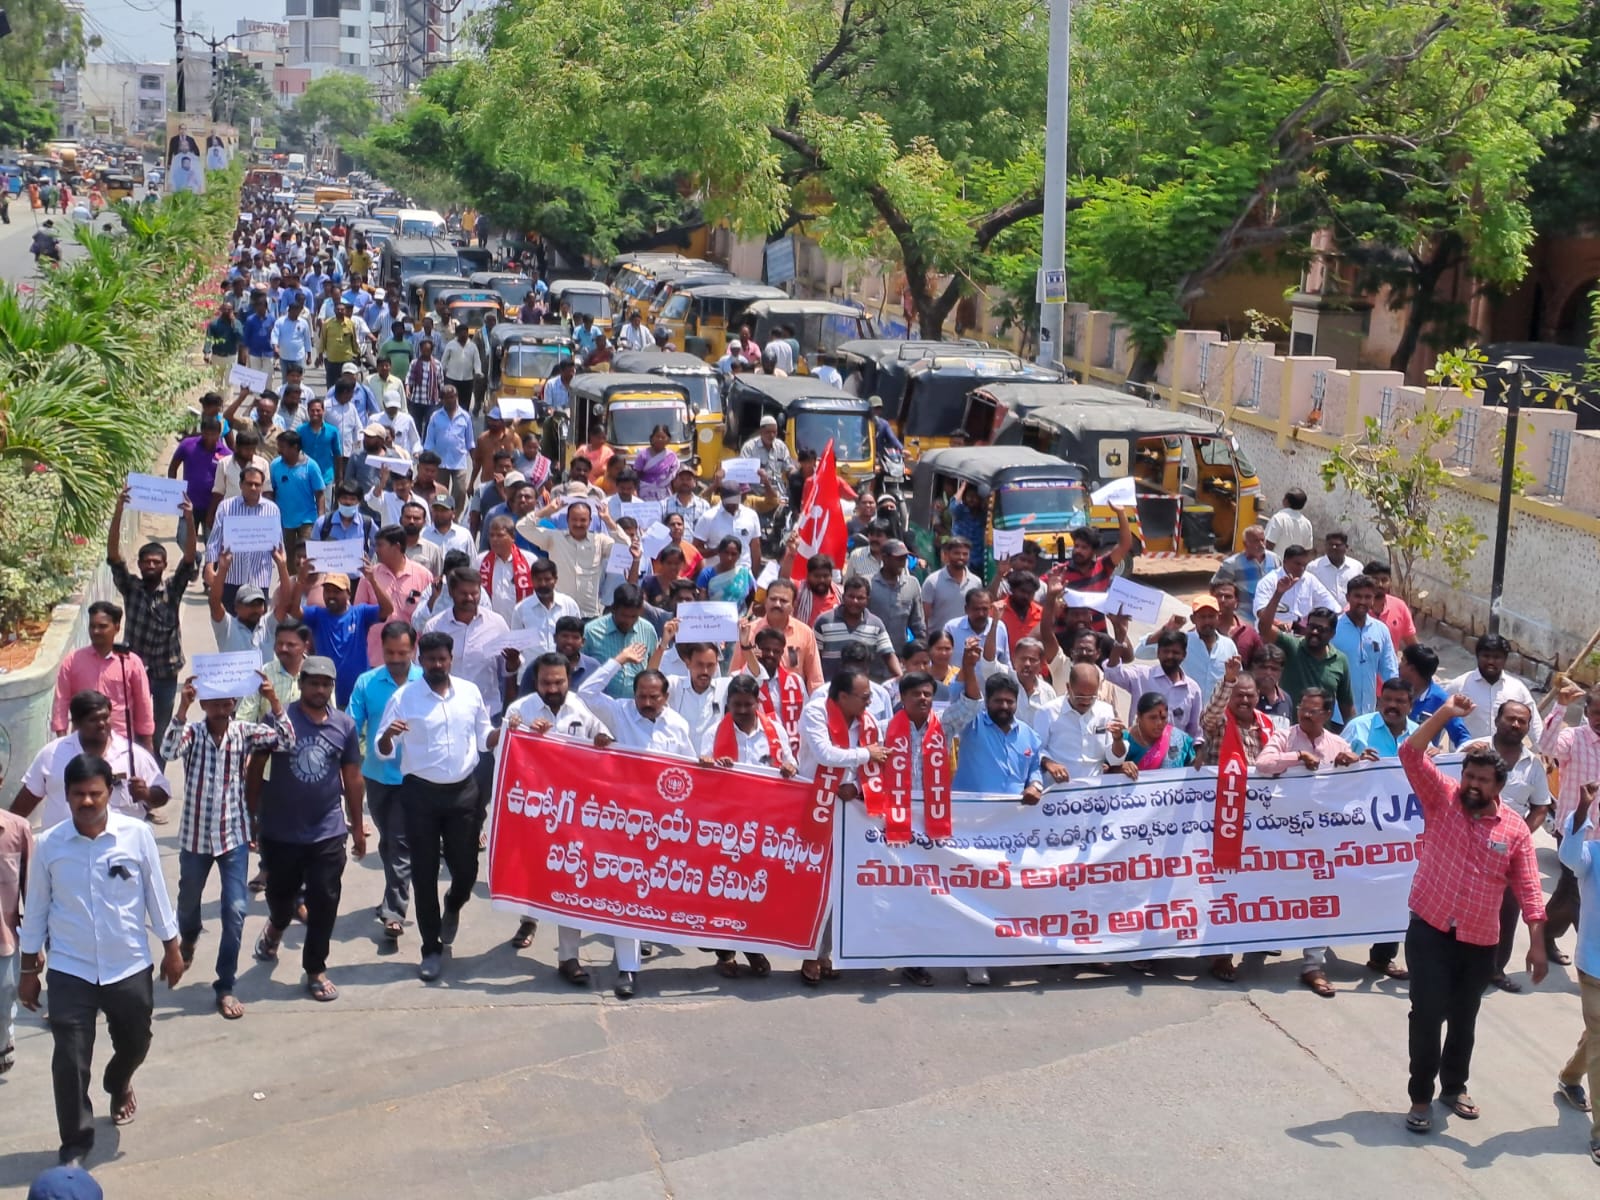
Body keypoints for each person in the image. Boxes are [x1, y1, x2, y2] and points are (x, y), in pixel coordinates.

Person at [18, 754, 186, 1166]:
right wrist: (27, 970)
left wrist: (171, 947)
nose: (88, 802)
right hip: (69, 969)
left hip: (127, 964)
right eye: (79, 795)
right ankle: (75, 1144)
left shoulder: (135, 835)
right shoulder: (49, 844)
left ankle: (119, 1080)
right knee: (70, 1059)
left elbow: (155, 892)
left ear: (109, 792)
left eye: (95, 793)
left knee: (136, 1041)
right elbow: (37, 906)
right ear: (67, 796)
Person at [1399, 693, 1549, 1133]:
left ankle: (1454, 1086)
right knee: (1426, 1015)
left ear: (1498, 788)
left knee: (1463, 1018)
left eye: (1483, 780)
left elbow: (1529, 889)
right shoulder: (1441, 799)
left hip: (1480, 941)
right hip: (1428, 929)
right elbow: (1409, 754)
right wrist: (1445, 714)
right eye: (1469, 776)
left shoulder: (1515, 830)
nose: (1473, 785)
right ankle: (1421, 1097)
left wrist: (1537, 945)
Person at [161, 672, 294, 1020]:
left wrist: (273, 701)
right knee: (188, 900)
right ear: (204, 704)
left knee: (235, 911)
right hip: (194, 837)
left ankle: (225, 984)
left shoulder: (244, 733)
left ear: (234, 704)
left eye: (227, 703)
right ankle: (188, 937)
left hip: (232, 836)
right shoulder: (191, 732)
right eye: (214, 703)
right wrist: (182, 706)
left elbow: (287, 740)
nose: (221, 709)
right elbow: (167, 750)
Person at [377, 631, 496, 981]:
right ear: (420, 660)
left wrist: (505, 734)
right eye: (430, 660)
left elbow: (485, 736)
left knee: (466, 871)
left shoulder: (470, 693)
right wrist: (389, 737)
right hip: (420, 796)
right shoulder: (404, 697)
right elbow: (382, 749)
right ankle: (431, 948)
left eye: (442, 659)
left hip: (463, 794)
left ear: (451, 658)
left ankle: (454, 904)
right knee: (424, 875)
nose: (437, 665)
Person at [577, 664, 697, 999]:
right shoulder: (620, 713)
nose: (646, 702)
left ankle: (659, 936)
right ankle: (627, 969)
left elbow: (688, 771)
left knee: (657, 889)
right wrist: (620, 660)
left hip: (665, 823)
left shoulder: (678, 724)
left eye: (653, 697)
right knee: (625, 892)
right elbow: (587, 693)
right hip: (625, 821)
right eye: (641, 696)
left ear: (665, 697)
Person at [250, 656, 365, 1002]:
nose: (319, 689)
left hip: (327, 831)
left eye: (325, 684)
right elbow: (256, 767)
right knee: (281, 897)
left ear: (332, 688)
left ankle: (315, 968)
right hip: (280, 829)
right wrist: (251, 814)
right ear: (301, 684)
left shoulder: (344, 726)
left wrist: (357, 826)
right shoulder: (278, 718)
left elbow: (353, 778)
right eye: (312, 682)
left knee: (324, 900)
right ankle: (276, 925)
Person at [1255, 687, 1362, 997]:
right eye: (1302, 708)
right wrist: (1296, 757)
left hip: (1322, 839)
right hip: (1281, 834)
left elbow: (1357, 786)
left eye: (1312, 711)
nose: (1304, 714)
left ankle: (1312, 964)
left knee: (1320, 898)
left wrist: (1354, 763)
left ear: (1327, 715)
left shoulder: (1338, 744)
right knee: (1270, 892)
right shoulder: (1286, 737)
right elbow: (1263, 764)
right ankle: (1257, 945)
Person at [796, 668, 890, 984]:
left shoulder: (867, 720)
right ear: (843, 696)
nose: (869, 701)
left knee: (842, 886)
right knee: (814, 885)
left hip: (852, 809)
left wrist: (858, 788)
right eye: (863, 697)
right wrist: (865, 754)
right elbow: (825, 754)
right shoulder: (815, 712)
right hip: (813, 805)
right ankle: (809, 954)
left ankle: (827, 953)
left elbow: (878, 767)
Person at [106, 489, 198, 763]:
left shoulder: (173, 588)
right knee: (133, 728)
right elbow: (113, 554)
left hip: (166, 674)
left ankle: (153, 782)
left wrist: (190, 519)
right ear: (140, 564)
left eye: (156, 562)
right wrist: (119, 511)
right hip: (135, 673)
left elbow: (190, 557)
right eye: (146, 562)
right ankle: (132, 780)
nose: (150, 566)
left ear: (164, 565)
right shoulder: (130, 587)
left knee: (159, 732)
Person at [348, 623, 421, 943]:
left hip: (416, 777)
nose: (395, 658)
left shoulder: (426, 682)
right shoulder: (367, 682)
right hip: (377, 776)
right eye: (390, 652)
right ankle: (394, 894)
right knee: (390, 840)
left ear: (413, 650)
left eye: (402, 653)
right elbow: (350, 725)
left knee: (400, 841)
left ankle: (394, 911)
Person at [13, 691, 170, 829]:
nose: (102, 724)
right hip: (64, 853)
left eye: (105, 717)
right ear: (76, 723)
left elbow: (162, 795)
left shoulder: (134, 755)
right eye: (93, 719)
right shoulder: (52, 754)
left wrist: (147, 794)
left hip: (119, 852)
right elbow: (24, 803)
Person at [1539, 680, 1600, 966]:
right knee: (1577, 891)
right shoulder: (1573, 738)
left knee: (1569, 887)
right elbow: (1545, 745)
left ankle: (1545, 933)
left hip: (1599, 834)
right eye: (1597, 711)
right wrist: (1561, 706)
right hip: (1573, 829)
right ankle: (1589, 958)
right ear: (1587, 711)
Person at [1556, 779, 1600, 1164]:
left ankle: (1570, 1077)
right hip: (1595, 968)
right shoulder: (1593, 856)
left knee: (1597, 1037)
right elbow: (1569, 855)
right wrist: (1583, 811)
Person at [285, 561, 394, 707]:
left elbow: (387, 609)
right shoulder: (317, 615)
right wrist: (301, 580)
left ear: (348, 593)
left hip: (359, 694)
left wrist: (372, 580)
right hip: (328, 697)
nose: (330, 595)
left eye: (336, 591)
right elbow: (293, 611)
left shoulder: (360, 613)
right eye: (327, 590)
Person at [51, 602, 156, 752]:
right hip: (82, 744)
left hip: (121, 745)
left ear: (117, 627)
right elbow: (61, 702)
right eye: (92, 626)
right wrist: (62, 741)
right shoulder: (72, 661)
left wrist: (147, 745)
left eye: (102, 626)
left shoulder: (130, 662)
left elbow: (143, 704)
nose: (96, 631)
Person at [520, 493, 619, 618]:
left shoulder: (600, 541)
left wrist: (608, 520)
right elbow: (523, 527)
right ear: (567, 520)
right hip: (560, 614)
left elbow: (626, 547)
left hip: (589, 615)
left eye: (583, 520)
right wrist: (547, 510)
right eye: (574, 520)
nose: (578, 524)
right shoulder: (554, 538)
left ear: (590, 521)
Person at [1256, 601, 1355, 724]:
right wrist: (1279, 593)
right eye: (1311, 626)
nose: (1314, 632)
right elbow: (1264, 628)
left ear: (1332, 634)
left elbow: (1347, 706)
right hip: (1289, 733)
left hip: (1321, 737)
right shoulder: (1292, 646)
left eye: (1321, 629)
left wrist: (1353, 735)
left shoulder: (1340, 660)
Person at [1105, 618, 1203, 740]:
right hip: (1139, 754)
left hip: (1174, 756)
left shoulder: (1192, 690)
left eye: (1175, 652)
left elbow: (1195, 732)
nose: (1170, 656)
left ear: (1184, 655)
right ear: (1158, 653)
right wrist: (1119, 640)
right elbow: (1111, 674)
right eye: (1165, 651)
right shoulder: (1141, 676)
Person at [354, 525, 433, 665]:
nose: (376, 550)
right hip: (375, 659)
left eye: (380, 545)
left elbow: (430, 617)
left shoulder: (423, 576)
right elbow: (358, 617)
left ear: (396, 547)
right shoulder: (369, 576)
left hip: (412, 660)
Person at [1035, 662, 1125, 782]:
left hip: (1094, 790)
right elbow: (1035, 749)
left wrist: (1118, 739)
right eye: (1080, 697)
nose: (1086, 702)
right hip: (1058, 790)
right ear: (1068, 687)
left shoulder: (1105, 711)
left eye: (1092, 697)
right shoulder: (1047, 712)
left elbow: (1115, 760)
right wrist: (1049, 763)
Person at [1446, 634, 1544, 743]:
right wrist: (1431, 747)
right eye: (1486, 656)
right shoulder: (1458, 686)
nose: (1491, 662)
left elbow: (1534, 723)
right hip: (1466, 756)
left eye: (1497, 657)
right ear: (1477, 656)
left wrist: (1543, 749)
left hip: (1504, 757)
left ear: (1505, 659)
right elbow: (1437, 716)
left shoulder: (1517, 688)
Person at [1330, 574, 1398, 719]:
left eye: (1367, 597)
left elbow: (1390, 672)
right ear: (1348, 597)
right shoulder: (1333, 628)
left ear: (1373, 599)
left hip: (1368, 715)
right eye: (1357, 596)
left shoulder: (1381, 630)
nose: (1362, 601)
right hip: (1336, 715)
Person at [816, 576, 901, 683]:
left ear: (868, 600)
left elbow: (888, 654)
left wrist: (901, 678)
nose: (855, 601)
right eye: (851, 596)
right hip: (829, 687)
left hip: (860, 691)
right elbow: (814, 657)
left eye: (860, 598)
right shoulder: (824, 621)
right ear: (843, 596)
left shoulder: (876, 624)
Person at [583, 583, 659, 698]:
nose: (628, 621)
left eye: (633, 617)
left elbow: (652, 668)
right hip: (599, 705)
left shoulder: (648, 630)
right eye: (624, 615)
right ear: (613, 609)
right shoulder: (591, 631)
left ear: (641, 612)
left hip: (635, 707)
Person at [0, 801, 30, 1076]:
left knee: (5, 993)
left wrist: (35, 947)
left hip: (5, 937)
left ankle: (3, 1036)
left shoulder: (18, 829)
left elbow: (30, 892)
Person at [166, 419, 227, 541]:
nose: (209, 438)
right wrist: (174, 492)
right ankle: (195, 557)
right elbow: (173, 467)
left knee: (211, 543)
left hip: (212, 507)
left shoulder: (226, 454)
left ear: (219, 433)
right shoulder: (187, 445)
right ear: (201, 432)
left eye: (213, 434)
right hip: (188, 503)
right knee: (183, 539)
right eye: (206, 434)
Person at [1253, 544, 1340, 629]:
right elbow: (1260, 612)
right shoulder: (1269, 581)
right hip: (1272, 632)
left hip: (1299, 634)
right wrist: (1279, 624)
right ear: (1285, 561)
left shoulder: (1310, 580)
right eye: (1297, 564)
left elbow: (1332, 605)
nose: (1301, 568)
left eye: (1304, 565)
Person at [1402, 643, 1472, 748]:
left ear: (1411, 668)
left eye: (1403, 661)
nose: (1398, 665)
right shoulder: (1393, 691)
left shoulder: (1441, 700)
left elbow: (1461, 736)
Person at [268, 429, 327, 549]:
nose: (279, 451)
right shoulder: (275, 465)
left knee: (307, 555)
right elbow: (271, 492)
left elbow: (319, 494)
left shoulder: (311, 466)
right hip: (284, 520)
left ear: (295, 447)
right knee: (289, 559)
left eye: (282, 447)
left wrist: (321, 518)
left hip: (307, 519)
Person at [694, 484, 764, 574]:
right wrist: (717, 551)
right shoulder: (708, 517)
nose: (732, 505)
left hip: (743, 575)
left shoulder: (751, 515)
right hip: (716, 575)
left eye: (735, 501)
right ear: (722, 498)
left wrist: (754, 575)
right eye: (729, 502)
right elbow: (695, 550)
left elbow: (755, 548)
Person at [1211, 525, 1277, 618]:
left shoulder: (1274, 559)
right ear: (1245, 544)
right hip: (1245, 617)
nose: (1261, 544)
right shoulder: (1232, 564)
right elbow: (1215, 587)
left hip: (1271, 617)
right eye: (1256, 541)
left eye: (1262, 540)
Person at [921, 536, 982, 631]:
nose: (961, 557)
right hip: (939, 642)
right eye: (957, 553)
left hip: (966, 642)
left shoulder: (976, 582)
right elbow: (924, 617)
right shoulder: (932, 581)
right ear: (947, 554)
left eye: (965, 554)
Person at [1366, 560, 1419, 650]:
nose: (1380, 584)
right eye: (1375, 580)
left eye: (1384, 580)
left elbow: (1412, 644)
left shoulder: (1399, 607)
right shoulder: (1353, 610)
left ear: (1390, 581)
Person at [1306, 531, 1362, 606]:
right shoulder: (1313, 567)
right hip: (1322, 615)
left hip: (1349, 614)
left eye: (1337, 545)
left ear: (1346, 547)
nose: (1334, 548)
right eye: (1330, 545)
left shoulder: (1356, 567)